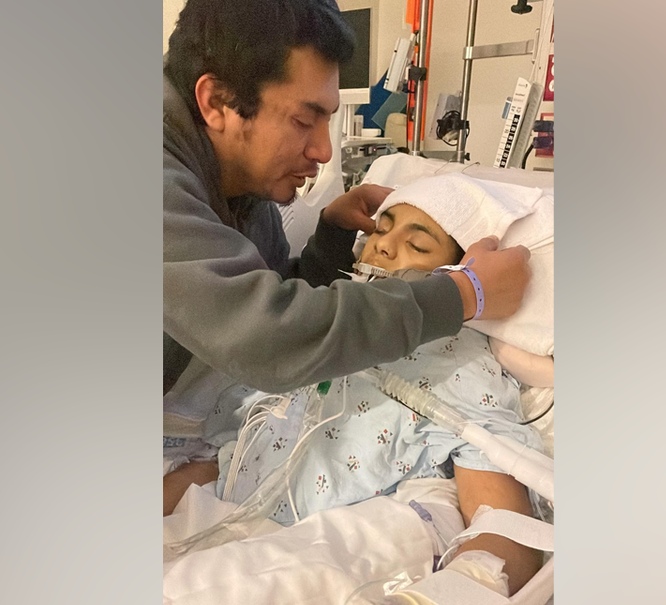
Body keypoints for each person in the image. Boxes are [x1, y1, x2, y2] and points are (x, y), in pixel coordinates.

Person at [166, 191, 548, 605]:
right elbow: (224, 458)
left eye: (418, 244)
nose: (382, 246)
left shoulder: (456, 364)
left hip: (309, 559)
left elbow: (505, 526)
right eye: (380, 231)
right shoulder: (320, 333)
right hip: (214, 525)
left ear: (458, 272)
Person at [162, 0, 532, 412]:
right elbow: (267, 336)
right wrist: (464, 293)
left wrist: (333, 236)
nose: (324, 151)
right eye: (304, 121)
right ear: (217, 102)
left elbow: (273, 299)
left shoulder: (242, 184)